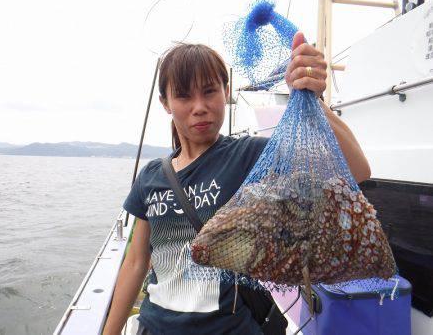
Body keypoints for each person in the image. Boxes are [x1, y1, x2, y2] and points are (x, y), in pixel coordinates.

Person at [103, 32, 371, 335]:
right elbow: (136, 262)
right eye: (184, 96)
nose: (200, 106)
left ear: (225, 90)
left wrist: (311, 97)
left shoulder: (250, 156)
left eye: (209, 91)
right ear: (165, 103)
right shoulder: (151, 176)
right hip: (156, 326)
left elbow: (357, 169)